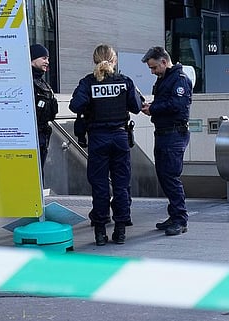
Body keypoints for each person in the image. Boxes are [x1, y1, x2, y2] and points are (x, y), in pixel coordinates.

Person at [69, 44, 142, 246]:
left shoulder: (88, 82)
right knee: (121, 185)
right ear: (114, 60)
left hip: (98, 138)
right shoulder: (124, 81)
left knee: (100, 186)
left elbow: (75, 105)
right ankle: (120, 230)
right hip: (120, 138)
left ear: (94, 60)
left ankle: (100, 232)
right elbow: (136, 107)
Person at [141, 46, 192, 236]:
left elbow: (177, 105)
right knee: (164, 176)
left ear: (164, 61)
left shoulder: (180, 80)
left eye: (154, 67)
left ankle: (180, 219)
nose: (153, 72)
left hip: (174, 134)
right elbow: (167, 103)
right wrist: (153, 107)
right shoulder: (165, 79)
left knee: (171, 176)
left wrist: (153, 109)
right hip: (163, 133)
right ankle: (174, 215)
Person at [30, 43, 58, 180]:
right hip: (29, 137)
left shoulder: (43, 84)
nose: (47, 62)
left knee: (38, 175)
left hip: (42, 137)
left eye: (48, 58)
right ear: (32, 59)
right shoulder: (27, 82)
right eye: (44, 58)